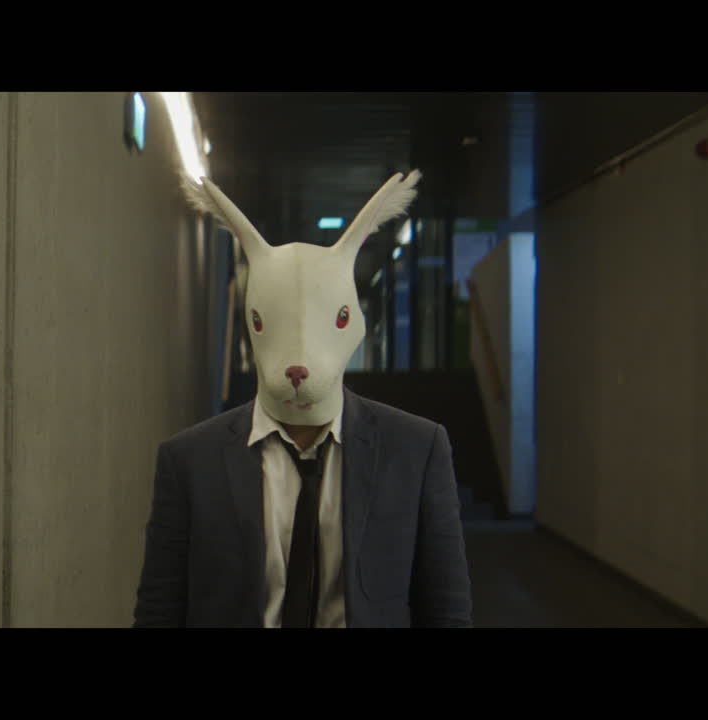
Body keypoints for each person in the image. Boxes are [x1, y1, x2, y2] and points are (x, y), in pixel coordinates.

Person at [133, 170, 472, 628]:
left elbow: (446, 609)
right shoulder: (189, 461)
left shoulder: (416, 450)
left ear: (354, 322)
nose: (298, 364)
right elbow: (159, 611)